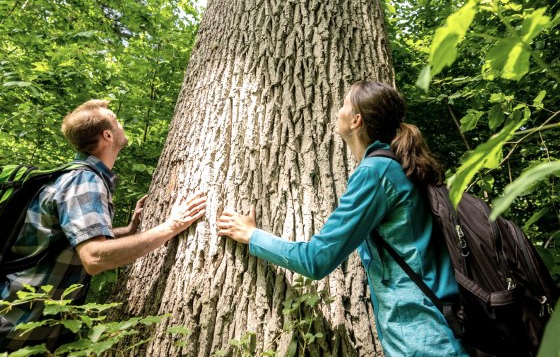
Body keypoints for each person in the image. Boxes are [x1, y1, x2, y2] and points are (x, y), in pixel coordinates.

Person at [218, 81, 468, 357]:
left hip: (422, 339)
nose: (338, 111)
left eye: (344, 105)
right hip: (436, 332)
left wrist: (253, 235)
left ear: (356, 121)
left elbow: (316, 259)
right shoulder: (398, 167)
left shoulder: (376, 173)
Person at [0, 99, 207, 352]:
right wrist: (171, 226)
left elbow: (67, 241)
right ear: (107, 135)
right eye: (116, 121)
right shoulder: (85, 180)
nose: (120, 125)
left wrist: (127, 232)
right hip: (21, 328)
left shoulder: (74, 177)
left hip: (22, 325)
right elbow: (94, 258)